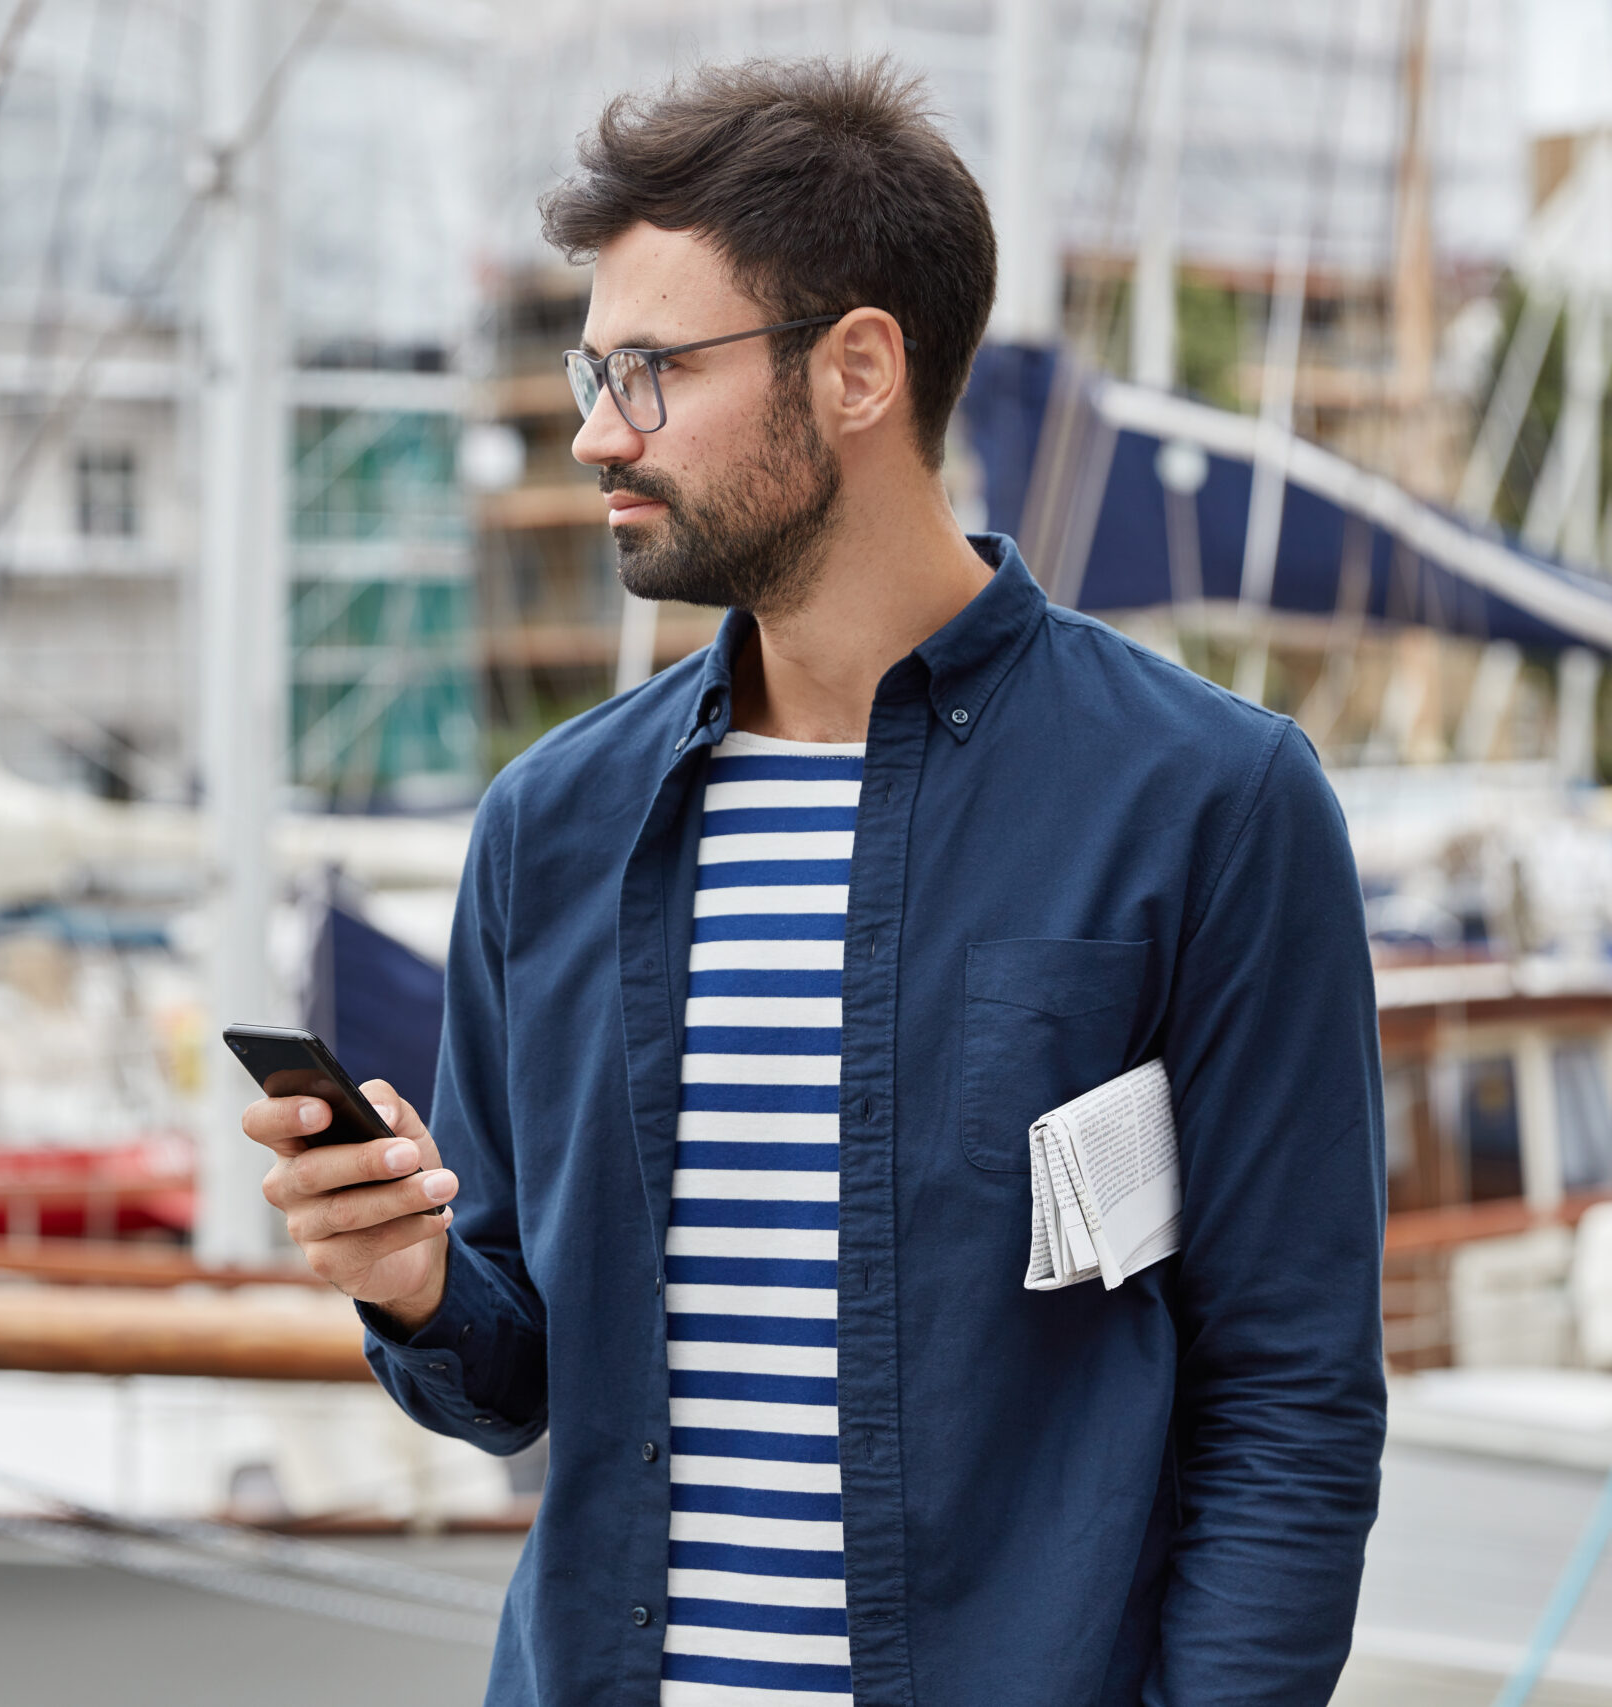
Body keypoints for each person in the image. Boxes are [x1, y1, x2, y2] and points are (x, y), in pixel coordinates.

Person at [242, 57, 1384, 1707]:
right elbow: (508, 1383)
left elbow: (1291, 1394)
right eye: (589, 368)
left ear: (856, 370)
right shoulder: (547, 827)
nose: (590, 431)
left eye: (646, 371)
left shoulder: (1210, 801)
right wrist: (410, 1279)